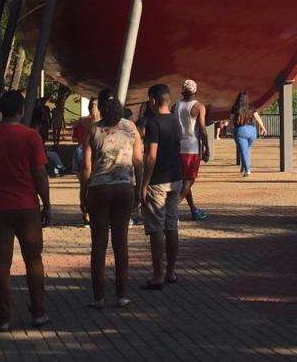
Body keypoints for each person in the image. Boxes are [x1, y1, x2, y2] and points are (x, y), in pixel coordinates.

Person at [0, 90, 51, 331]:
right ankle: (38, 312)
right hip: (27, 206)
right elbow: (40, 174)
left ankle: (3, 317)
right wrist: (47, 203)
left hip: (0, 208)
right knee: (33, 260)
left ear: (0, 111)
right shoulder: (31, 137)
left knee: (1, 264)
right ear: (21, 111)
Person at [83, 96, 143, 307]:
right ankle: (121, 294)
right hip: (124, 187)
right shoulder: (130, 128)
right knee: (121, 242)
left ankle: (98, 296)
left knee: (99, 244)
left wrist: (84, 192)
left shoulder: (93, 130)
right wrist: (139, 188)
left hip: (99, 188)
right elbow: (138, 160)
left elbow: (87, 167)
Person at [139, 84, 182, 289]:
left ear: (153, 100)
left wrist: (143, 183)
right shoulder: (176, 121)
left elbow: (151, 155)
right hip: (176, 177)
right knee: (171, 225)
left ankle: (157, 275)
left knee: (156, 228)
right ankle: (171, 271)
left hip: (158, 180)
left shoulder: (154, 124)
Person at [175, 79, 210, 221]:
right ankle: (171, 209)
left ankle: (193, 209)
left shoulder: (175, 106)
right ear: (196, 91)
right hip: (192, 147)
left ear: (182, 91)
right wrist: (207, 148)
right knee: (190, 180)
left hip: (178, 146)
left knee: (184, 181)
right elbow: (202, 129)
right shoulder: (199, 107)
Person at [73, 99, 101, 225]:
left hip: (79, 152)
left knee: (84, 184)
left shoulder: (81, 121)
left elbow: (75, 138)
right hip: (94, 153)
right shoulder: (100, 125)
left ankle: (86, 212)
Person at [231, 92, 266, 177]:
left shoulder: (235, 108)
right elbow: (257, 117)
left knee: (244, 150)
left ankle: (247, 170)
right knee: (246, 149)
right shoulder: (251, 107)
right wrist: (262, 127)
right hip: (252, 131)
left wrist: (231, 128)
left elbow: (231, 119)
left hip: (240, 130)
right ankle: (243, 167)